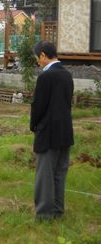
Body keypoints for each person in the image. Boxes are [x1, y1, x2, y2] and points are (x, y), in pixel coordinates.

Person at [30, 41, 74, 221]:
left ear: (42, 55)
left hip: (47, 132)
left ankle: (44, 214)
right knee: (59, 173)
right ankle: (57, 210)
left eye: (37, 58)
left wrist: (34, 126)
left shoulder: (46, 76)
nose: (37, 62)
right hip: (65, 131)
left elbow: (38, 106)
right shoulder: (67, 74)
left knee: (45, 175)